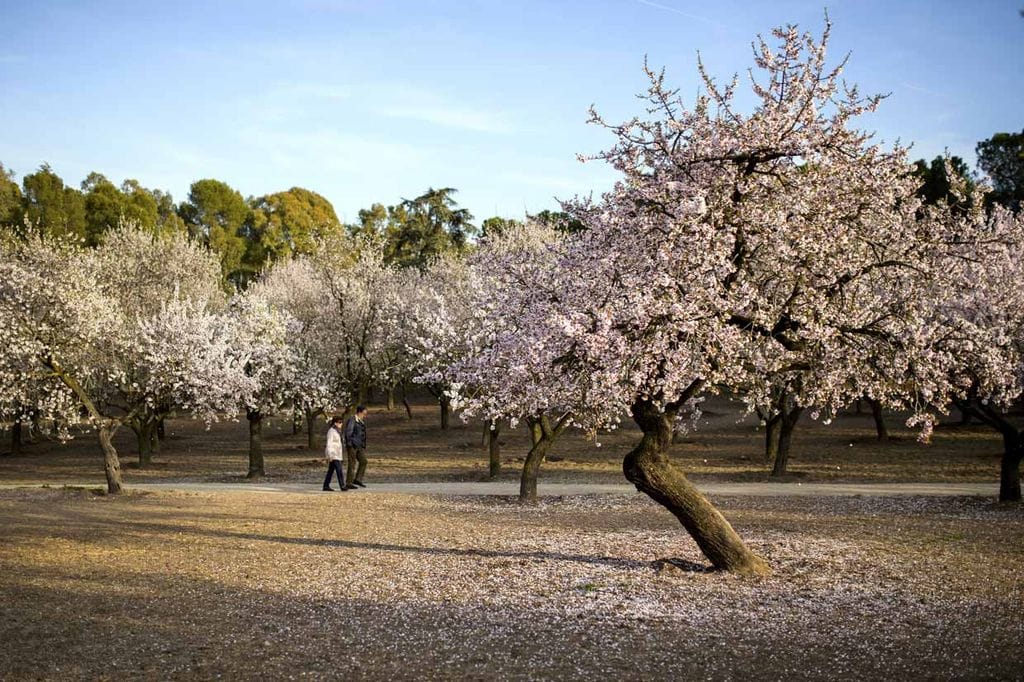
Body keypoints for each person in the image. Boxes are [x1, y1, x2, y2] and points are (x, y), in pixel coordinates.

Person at [344, 405, 368, 489]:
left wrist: (363, 444)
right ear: (360, 412)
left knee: (364, 461)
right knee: (352, 464)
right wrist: (349, 443)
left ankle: (358, 479)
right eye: (364, 413)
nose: (365, 415)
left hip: (359, 445)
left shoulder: (361, 421)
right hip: (352, 445)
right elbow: (348, 432)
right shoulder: (352, 420)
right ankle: (349, 482)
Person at [322, 416, 347, 491]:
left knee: (331, 470)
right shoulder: (331, 431)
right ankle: (342, 485)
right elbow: (329, 443)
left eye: (342, 422)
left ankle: (326, 485)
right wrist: (330, 454)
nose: (341, 424)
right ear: (335, 423)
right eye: (339, 422)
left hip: (337, 453)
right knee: (339, 469)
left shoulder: (338, 431)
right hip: (333, 453)